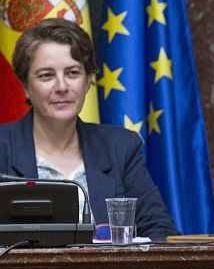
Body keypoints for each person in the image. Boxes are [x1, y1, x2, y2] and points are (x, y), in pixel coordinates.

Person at [0, 18, 177, 239]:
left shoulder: (120, 147)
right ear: (26, 86)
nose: (62, 87)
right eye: (46, 75)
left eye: (73, 73)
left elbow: (160, 230)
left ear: (88, 81)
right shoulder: (3, 149)